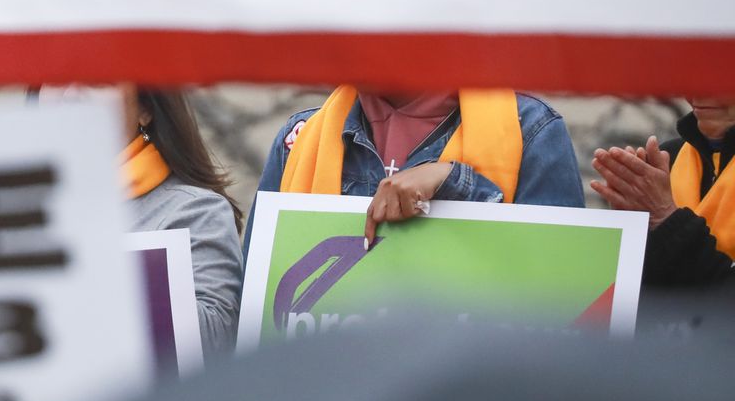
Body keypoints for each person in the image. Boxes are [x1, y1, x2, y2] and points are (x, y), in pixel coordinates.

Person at [251, 88, 585, 246]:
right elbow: (254, 302)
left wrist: (456, 183)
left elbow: (561, 293)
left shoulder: (532, 129)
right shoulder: (301, 136)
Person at [117, 87, 244, 355]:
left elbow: (214, 343)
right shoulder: (10, 210)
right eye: (55, 80)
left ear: (144, 109)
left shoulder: (194, 210)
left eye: (95, 80)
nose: (71, 93)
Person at [591, 97, 735, 285]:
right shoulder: (668, 158)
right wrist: (632, 236)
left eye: (720, 76)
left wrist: (666, 219)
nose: (699, 91)